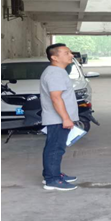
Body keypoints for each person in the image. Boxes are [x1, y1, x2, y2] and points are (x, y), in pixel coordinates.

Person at [40, 43, 79, 191]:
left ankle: (51, 174)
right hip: (58, 119)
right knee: (55, 148)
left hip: (58, 118)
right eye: (66, 53)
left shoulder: (58, 72)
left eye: (70, 52)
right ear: (54, 57)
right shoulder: (55, 73)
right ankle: (52, 180)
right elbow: (56, 98)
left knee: (55, 147)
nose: (71, 55)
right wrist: (66, 118)